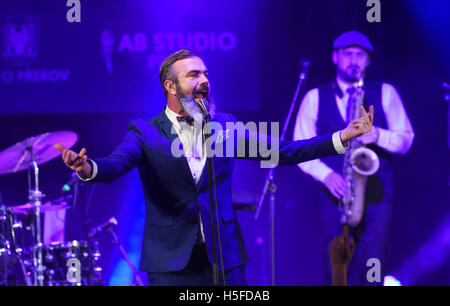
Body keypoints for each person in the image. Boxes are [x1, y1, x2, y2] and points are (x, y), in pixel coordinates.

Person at [55, 49, 374, 286]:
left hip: (225, 257)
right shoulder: (145, 132)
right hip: (170, 262)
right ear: (171, 86)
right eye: (193, 75)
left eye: (206, 74)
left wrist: (343, 136)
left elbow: (284, 151)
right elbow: (113, 166)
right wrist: (87, 168)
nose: (204, 80)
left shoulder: (225, 127)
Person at [293, 31, 414, 285]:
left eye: (360, 54)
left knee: (373, 268)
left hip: (377, 195)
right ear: (334, 57)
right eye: (347, 54)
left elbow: (406, 139)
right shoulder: (314, 97)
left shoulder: (386, 92)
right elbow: (301, 149)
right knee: (336, 268)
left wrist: (378, 135)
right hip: (333, 194)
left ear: (368, 60)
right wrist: (327, 176)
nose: (354, 60)